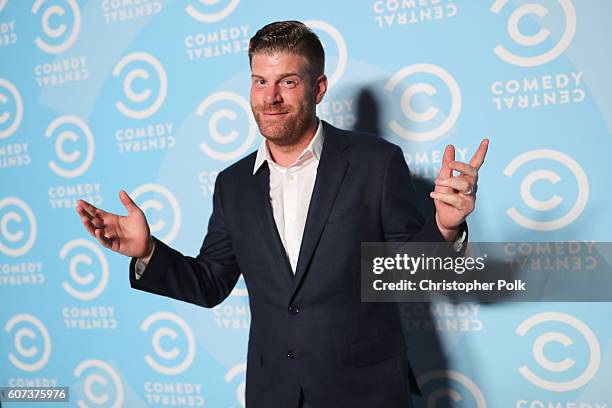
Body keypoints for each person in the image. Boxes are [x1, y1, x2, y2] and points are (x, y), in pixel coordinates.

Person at [76, 21, 488, 408]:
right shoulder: (232, 184)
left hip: (366, 391)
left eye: (288, 82)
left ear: (318, 87)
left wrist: (445, 227)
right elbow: (210, 282)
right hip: (274, 392)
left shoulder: (375, 162)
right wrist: (147, 251)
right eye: (260, 81)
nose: (270, 97)